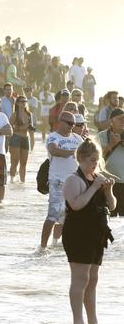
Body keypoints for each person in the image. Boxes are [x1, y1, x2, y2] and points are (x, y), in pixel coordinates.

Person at [62, 139, 115, 324]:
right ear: (81, 159)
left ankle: (93, 320)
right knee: (80, 278)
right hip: (77, 234)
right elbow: (76, 205)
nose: (95, 164)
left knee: (92, 279)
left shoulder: (97, 178)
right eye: (92, 160)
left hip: (96, 235)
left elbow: (112, 206)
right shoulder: (73, 180)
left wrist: (108, 191)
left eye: (97, 160)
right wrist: (93, 187)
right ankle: (78, 320)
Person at [38, 111, 84, 252]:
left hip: (75, 182)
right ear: (61, 122)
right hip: (57, 181)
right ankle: (42, 248)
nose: (72, 126)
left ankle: (55, 243)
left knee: (66, 216)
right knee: (53, 214)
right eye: (69, 123)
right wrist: (74, 152)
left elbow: (87, 155)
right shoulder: (53, 137)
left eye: (74, 124)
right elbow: (54, 151)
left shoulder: (78, 138)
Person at [97, 107, 124, 216]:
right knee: (107, 218)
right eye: (120, 119)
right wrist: (111, 145)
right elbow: (94, 158)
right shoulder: (102, 136)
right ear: (111, 121)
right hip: (107, 184)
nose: (123, 121)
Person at [8, 95, 34, 183]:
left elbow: (30, 129)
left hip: (25, 139)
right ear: (18, 103)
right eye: (22, 101)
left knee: (24, 163)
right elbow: (9, 128)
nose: (24, 103)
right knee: (15, 161)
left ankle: (22, 182)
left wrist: (32, 142)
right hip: (15, 137)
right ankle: (11, 180)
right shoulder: (15, 114)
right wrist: (21, 127)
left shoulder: (29, 114)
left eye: (25, 101)